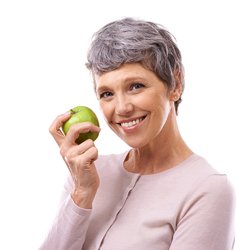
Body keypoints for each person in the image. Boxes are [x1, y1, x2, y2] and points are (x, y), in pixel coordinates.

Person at [39, 17, 235, 250]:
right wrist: (81, 193)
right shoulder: (88, 173)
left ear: (176, 84)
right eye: (107, 93)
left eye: (136, 86)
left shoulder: (207, 190)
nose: (121, 108)